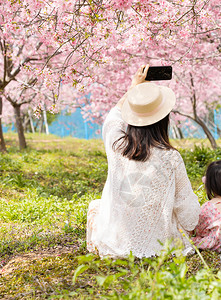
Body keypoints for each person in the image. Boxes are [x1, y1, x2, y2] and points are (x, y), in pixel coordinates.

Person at [87, 65, 201, 258]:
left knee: (96, 207)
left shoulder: (117, 146)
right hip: (160, 247)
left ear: (131, 118)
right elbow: (188, 215)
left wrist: (133, 89)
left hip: (115, 244)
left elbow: (112, 119)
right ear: (164, 120)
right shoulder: (171, 158)